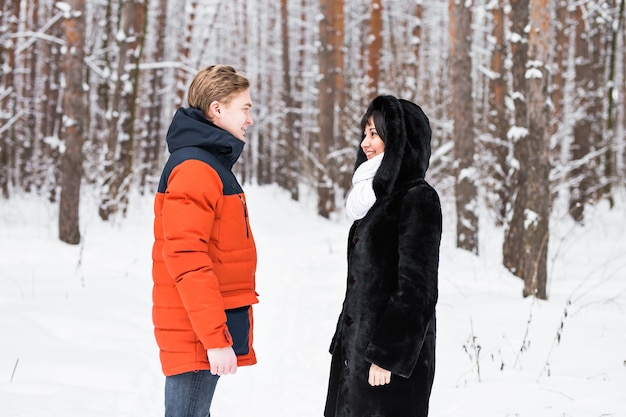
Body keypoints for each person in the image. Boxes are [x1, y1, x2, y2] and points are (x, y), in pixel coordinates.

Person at [324, 95, 442, 417]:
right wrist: (344, 343)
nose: (365, 143)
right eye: (365, 133)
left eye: (375, 134)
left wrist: (387, 356)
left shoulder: (418, 198)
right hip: (355, 356)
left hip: (388, 365)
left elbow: (417, 290)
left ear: (400, 140)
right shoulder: (373, 200)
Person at [152, 65, 258, 417]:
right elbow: (186, 258)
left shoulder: (207, 163)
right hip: (195, 334)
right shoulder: (196, 168)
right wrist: (215, 339)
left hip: (199, 327)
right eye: (245, 108)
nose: (249, 119)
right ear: (217, 109)